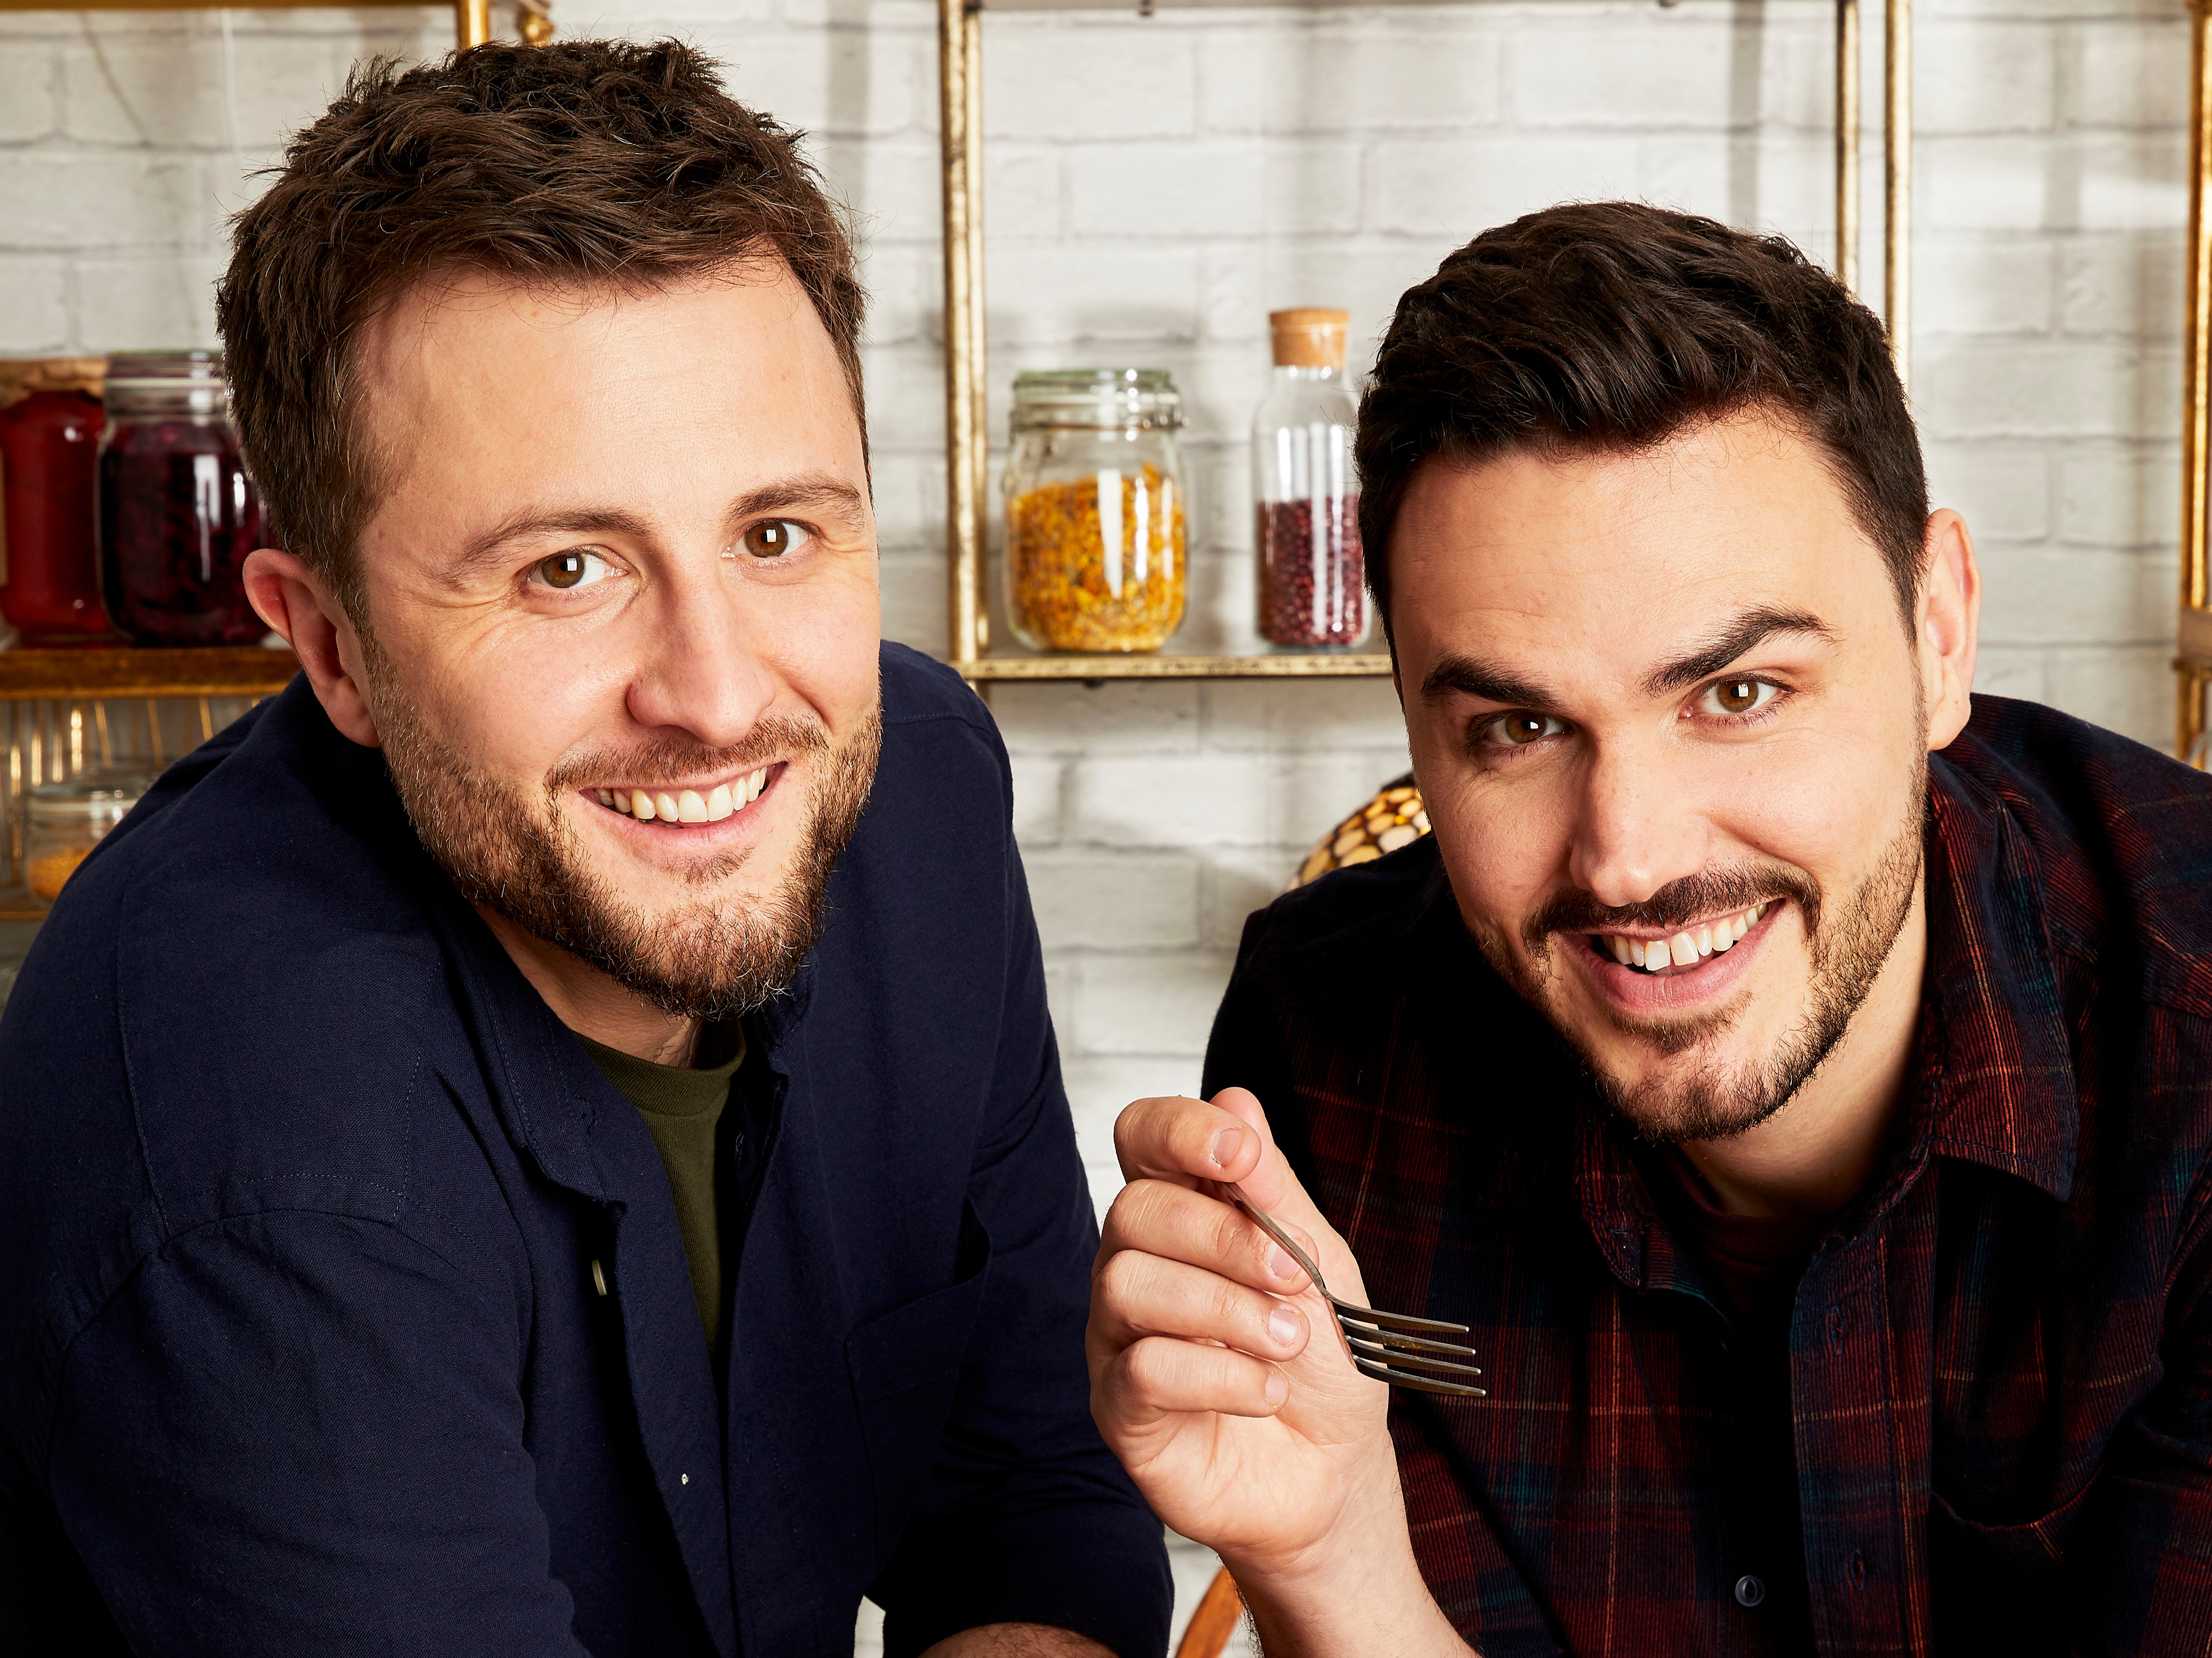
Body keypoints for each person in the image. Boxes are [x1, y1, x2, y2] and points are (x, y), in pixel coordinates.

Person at [0, 41, 1169, 1658]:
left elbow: (1026, 1502)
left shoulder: (917, 801)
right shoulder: (260, 1149)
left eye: (776, 535)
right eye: (566, 567)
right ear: (328, 645)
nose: (717, 697)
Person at [1087, 201, 2212, 1655]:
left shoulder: (2188, 1041)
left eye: (1737, 693)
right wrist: (1328, 1551)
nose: (1629, 856)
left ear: (1939, 633)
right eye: (1519, 724)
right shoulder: (1333, 1052)